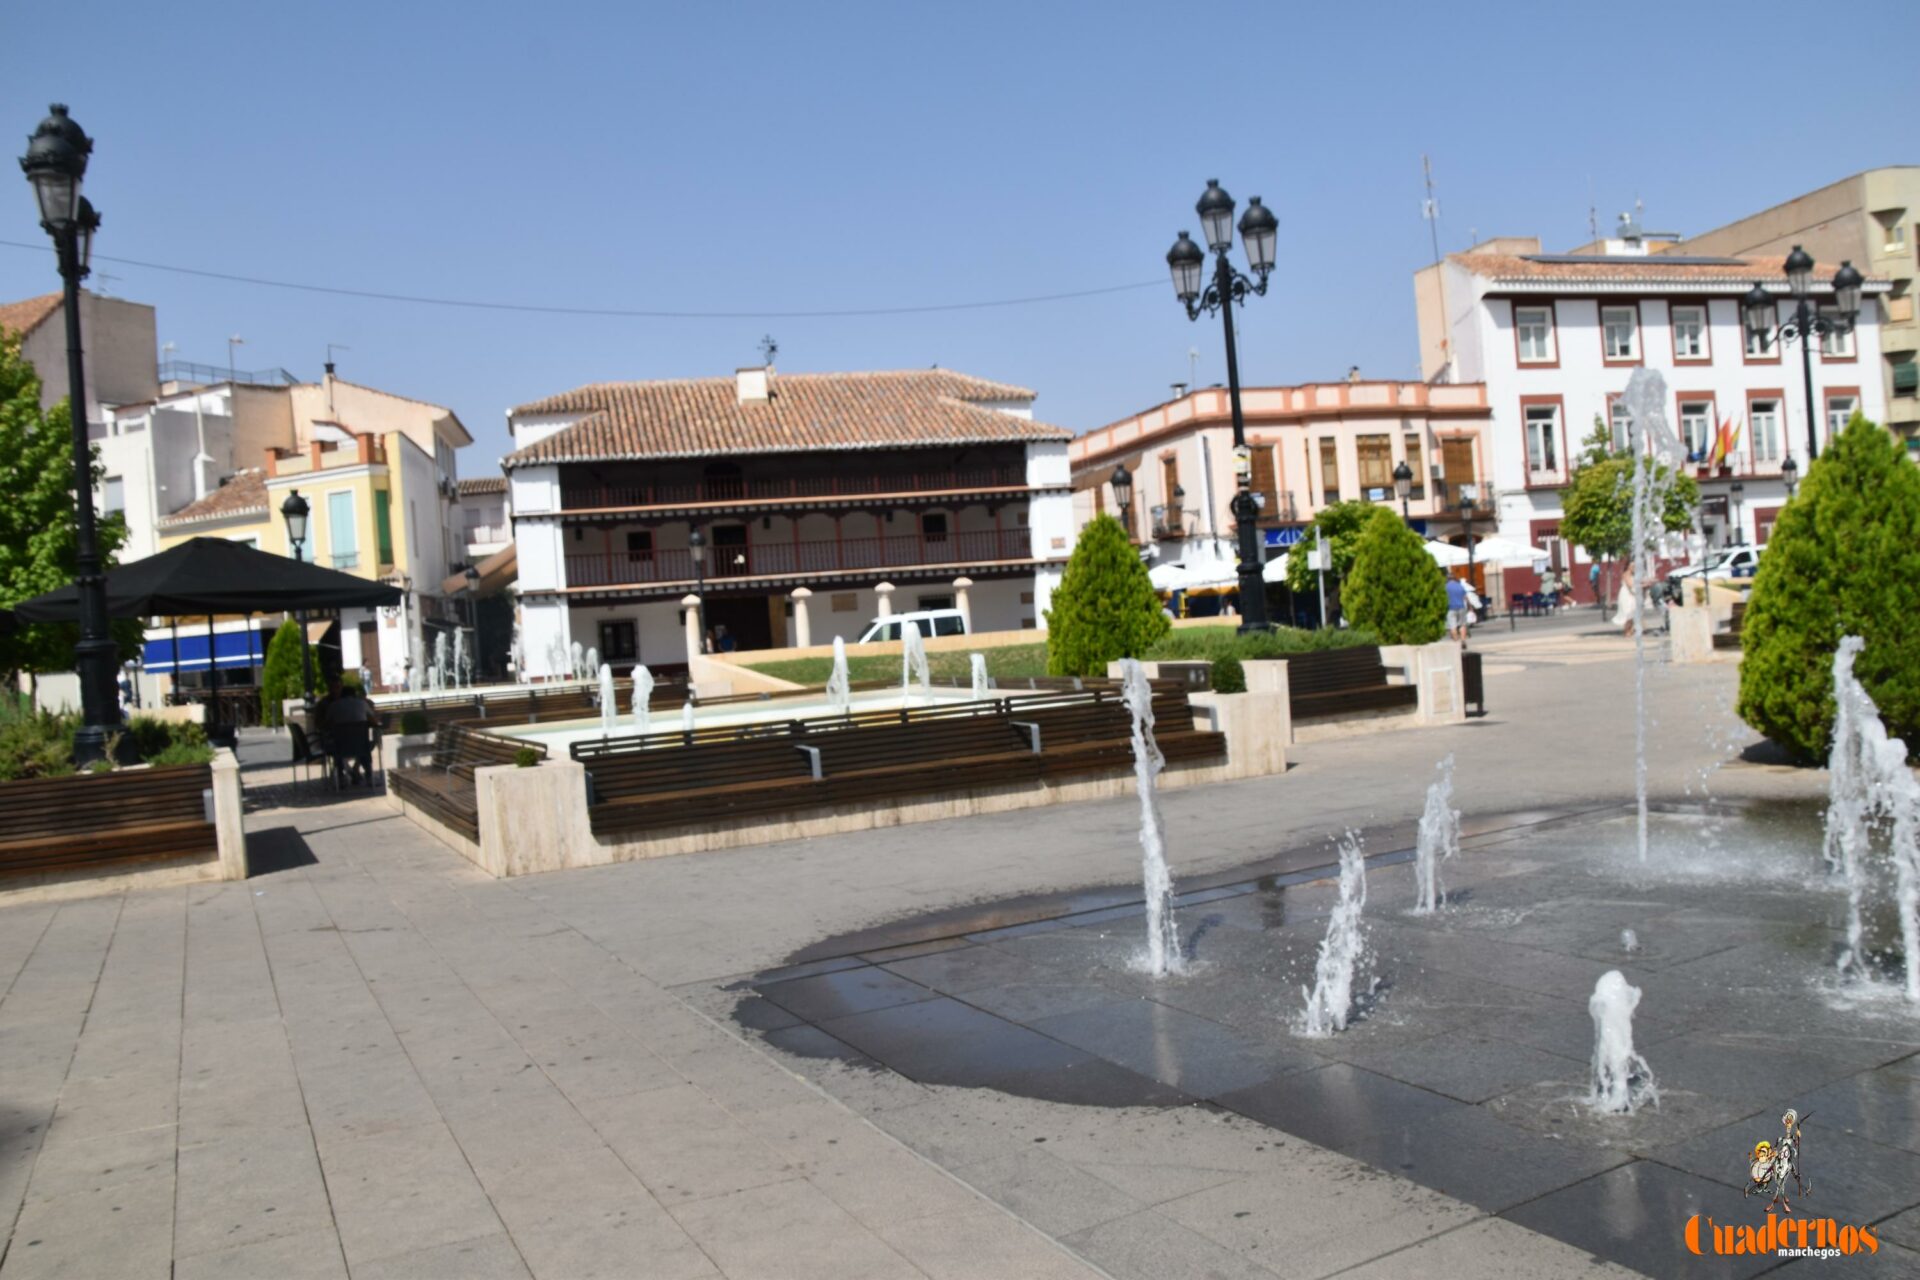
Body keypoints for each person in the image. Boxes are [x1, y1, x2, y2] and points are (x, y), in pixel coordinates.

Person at [320, 677, 375, 785]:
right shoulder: (362, 704)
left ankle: (341, 777)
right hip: (361, 744)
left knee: (337, 749)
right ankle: (368, 775)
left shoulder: (333, 706)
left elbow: (325, 725)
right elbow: (374, 721)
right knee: (364, 747)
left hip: (340, 746)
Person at [1612, 567, 1638, 637]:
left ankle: (1630, 630)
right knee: (1628, 613)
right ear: (1629, 566)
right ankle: (1627, 631)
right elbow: (1630, 585)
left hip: (1631, 595)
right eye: (1633, 566)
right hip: (1626, 595)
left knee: (1632, 612)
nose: (1635, 567)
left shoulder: (1633, 574)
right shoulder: (1626, 574)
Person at [1445, 574, 1470, 643]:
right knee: (1462, 624)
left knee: (1453, 626)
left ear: (1447, 579)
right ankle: (1463, 640)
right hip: (1461, 607)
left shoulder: (1446, 587)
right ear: (1455, 578)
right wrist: (1470, 608)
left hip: (1451, 608)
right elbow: (1465, 597)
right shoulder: (1460, 586)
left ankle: (1456, 642)